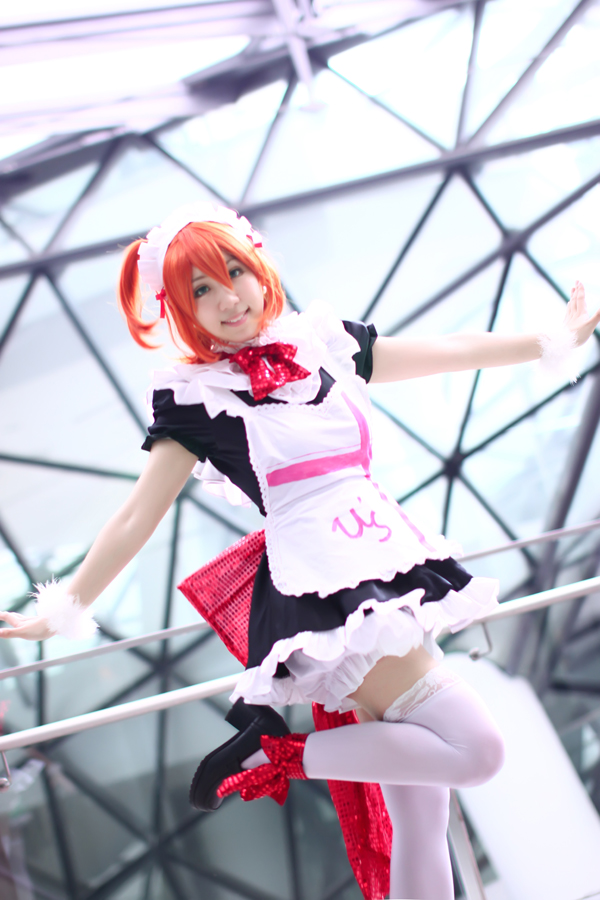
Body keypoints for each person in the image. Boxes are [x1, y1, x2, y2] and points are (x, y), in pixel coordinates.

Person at [0, 202, 597, 900]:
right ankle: (273, 754)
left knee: (422, 818)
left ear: (259, 268)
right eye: (201, 290)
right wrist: (62, 609)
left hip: (388, 567)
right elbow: (137, 515)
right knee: (477, 750)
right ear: (181, 311)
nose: (229, 298)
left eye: (234, 272)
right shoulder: (199, 399)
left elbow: (450, 349)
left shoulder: (321, 345)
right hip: (328, 593)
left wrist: (553, 338)